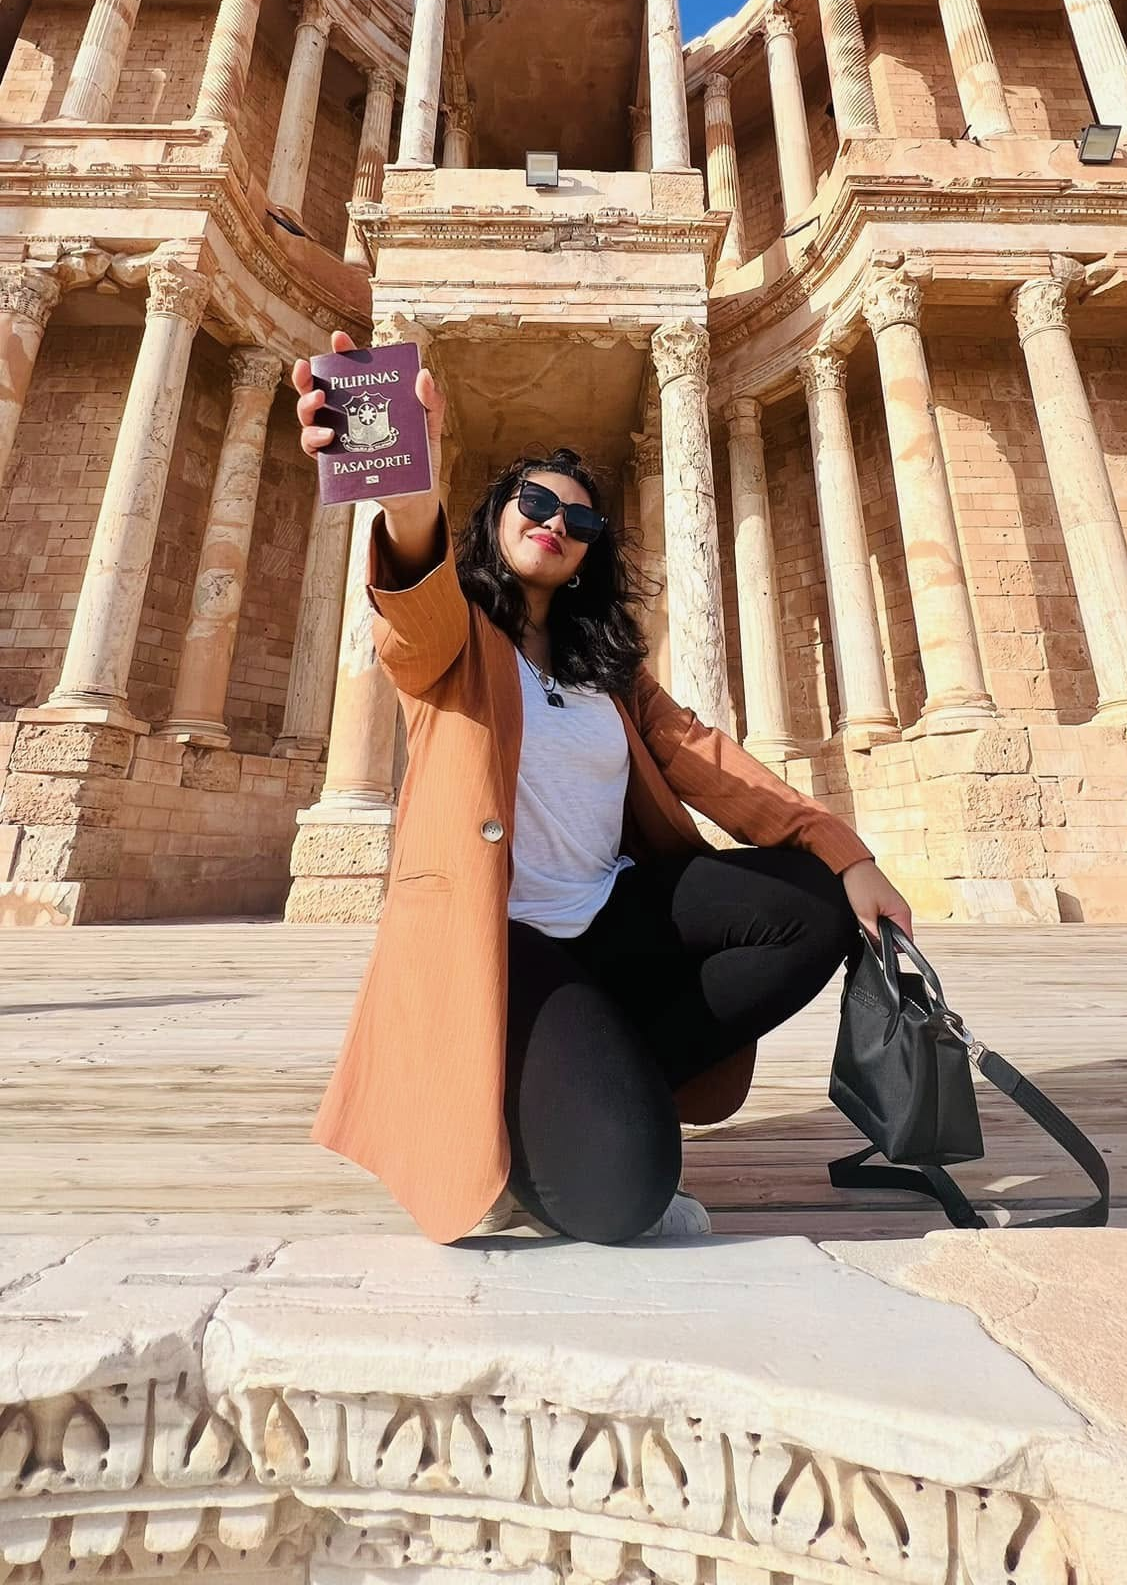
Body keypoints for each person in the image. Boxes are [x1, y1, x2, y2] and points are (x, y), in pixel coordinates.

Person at [295, 332, 913, 1247]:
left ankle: (615, 1077)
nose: (556, 524)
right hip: (507, 942)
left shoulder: (607, 672)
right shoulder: (457, 642)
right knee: (624, 1199)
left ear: (588, 555)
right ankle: (535, 1124)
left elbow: (704, 756)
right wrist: (409, 502)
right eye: (537, 504)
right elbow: (411, 620)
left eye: (580, 523)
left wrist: (846, 853)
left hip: (612, 918)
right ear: (497, 519)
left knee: (812, 906)